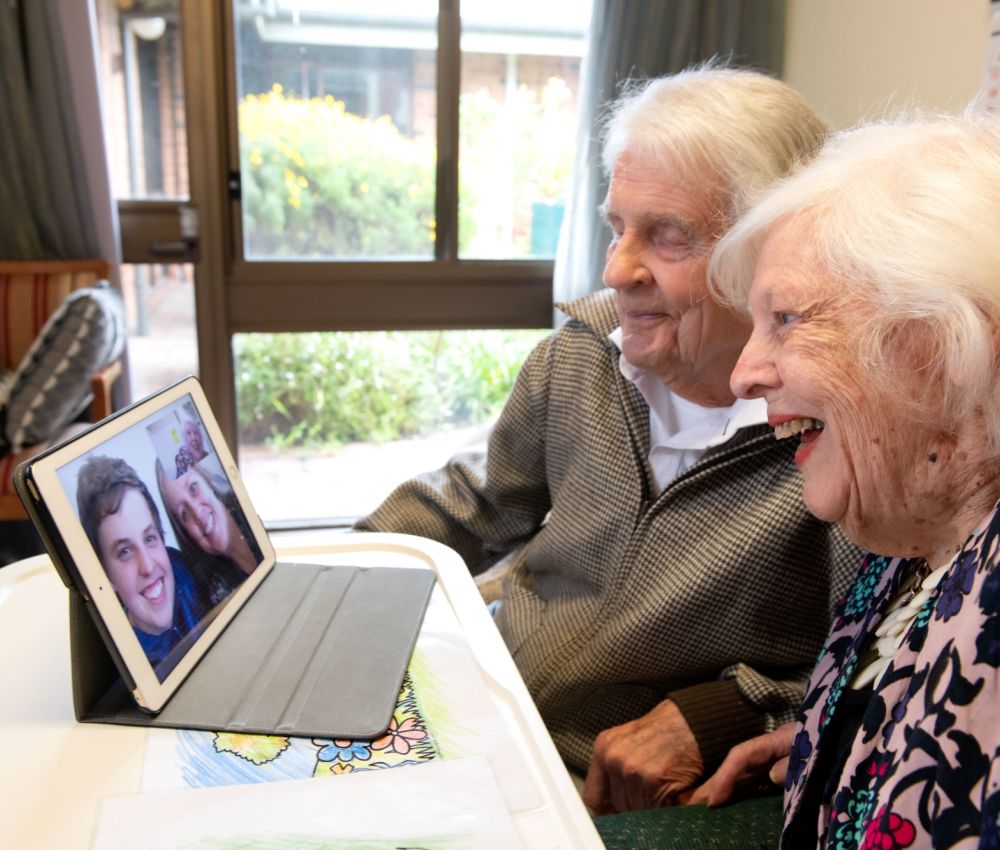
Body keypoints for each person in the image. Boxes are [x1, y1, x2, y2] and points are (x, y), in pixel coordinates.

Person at [356, 62, 862, 811]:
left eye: (668, 238)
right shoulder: (585, 351)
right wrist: (337, 574)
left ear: (772, 253)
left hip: (607, 786)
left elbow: (867, 671)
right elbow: (477, 501)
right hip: (486, 703)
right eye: (618, 227)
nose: (616, 269)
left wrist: (723, 714)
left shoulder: (842, 439)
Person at [693, 112, 1000, 847]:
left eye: (789, 319)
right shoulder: (915, 545)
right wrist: (836, 740)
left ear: (939, 345)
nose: (744, 375)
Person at [76, 455, 209, 675]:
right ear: (107, 576)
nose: (147, 566)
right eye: (125, 552)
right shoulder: (130, 662)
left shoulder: (184, 567)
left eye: (149, 538)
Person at [155, 458, 262, 598]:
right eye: (184, 514)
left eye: (193, 488)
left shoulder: (252, 517)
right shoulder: (215, 594)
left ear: (207, 481)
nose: (197, 513)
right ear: (186, 534)